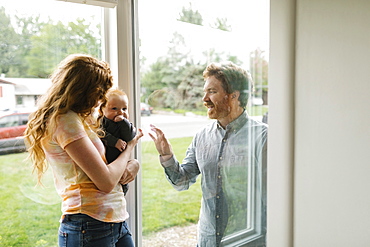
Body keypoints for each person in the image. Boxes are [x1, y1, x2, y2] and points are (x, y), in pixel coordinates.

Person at [24, 54, 143, 247]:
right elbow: (105, 181)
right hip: (89, 224)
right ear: (85, 90)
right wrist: (129, 147)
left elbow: (103, 163)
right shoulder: (65, 121)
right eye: (99, 93)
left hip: (113, 220)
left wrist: (133, 164)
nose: (100, 100)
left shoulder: (79, 119)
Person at [149, 62, 268, 247]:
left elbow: (274, 200)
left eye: (212, 91)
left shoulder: (263, 138)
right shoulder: (202, 136)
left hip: (247, 241)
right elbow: (182, 181)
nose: (204, 99)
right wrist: (166, 155)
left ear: (234, 95)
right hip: (208, 241)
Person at [101, 89, 136, 195]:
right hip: (107, 163)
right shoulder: (103, 121)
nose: (121, 112)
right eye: (114, 109)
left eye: (124, 109)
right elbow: (100, 134)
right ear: (102, 110)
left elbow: (130, 136)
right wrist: (115, 141)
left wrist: (123, 122)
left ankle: (122, 193)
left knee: (123, 184)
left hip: (121, 163)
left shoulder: (125, 124)